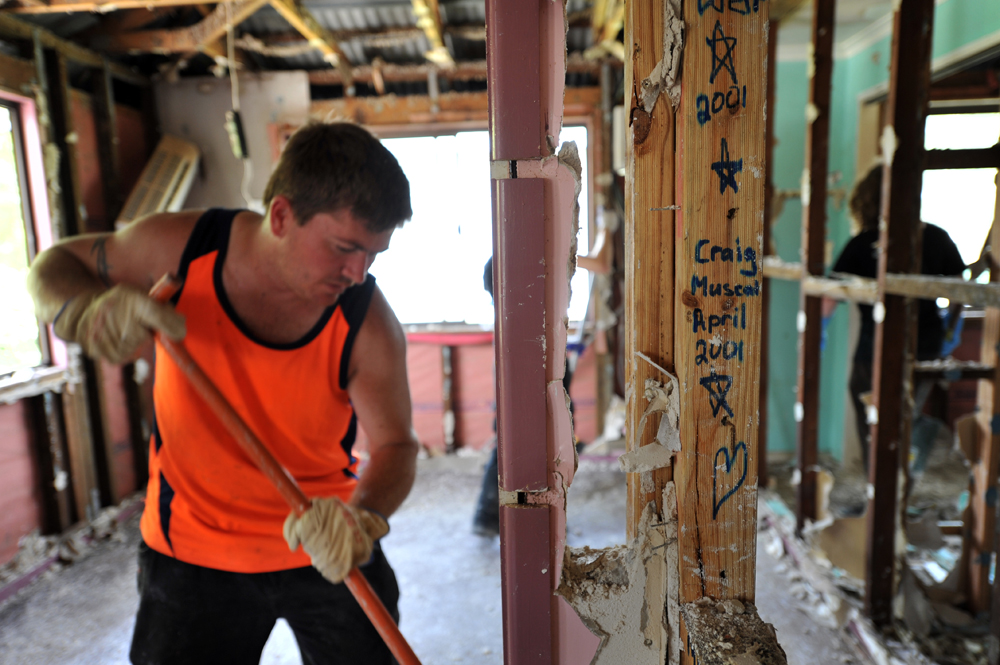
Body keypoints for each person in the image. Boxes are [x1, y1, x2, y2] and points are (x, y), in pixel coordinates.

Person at [27, 122, 419, 665]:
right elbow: (53, 266)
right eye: (344, 248)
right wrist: (81, 309)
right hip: (191, 551)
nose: (358, 272)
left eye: (374, 254)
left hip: (325, 539)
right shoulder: (182, 251)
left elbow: (398, 445)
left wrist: (363, 519)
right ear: (281, 216)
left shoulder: (365, 320)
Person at [825, 164, 965, 474]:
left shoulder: (863, 243)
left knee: (874, 419)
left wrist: (817, 331)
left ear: (867, 199)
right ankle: (897, 481)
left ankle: (883, 483)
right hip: (925, 346)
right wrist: (951, 329)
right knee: (903, 415)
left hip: (874, 351)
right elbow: (960, 288)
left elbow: (828, 297)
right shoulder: (935, 237)